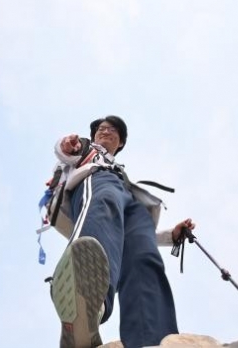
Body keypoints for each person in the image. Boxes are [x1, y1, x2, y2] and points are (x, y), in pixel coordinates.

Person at [49, 115, 195, 348]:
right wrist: (67, 144)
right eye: (101, 128)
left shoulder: (122, 174)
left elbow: (123, 234)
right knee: (104, 206)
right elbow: (65, 149)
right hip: (98, 182)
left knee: (143, 255)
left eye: (113, 130)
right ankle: (87, 307)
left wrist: (171, 236)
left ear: (121, 142)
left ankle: (155, 340)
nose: (106, 131)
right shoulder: (86, 149)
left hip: (130, 200)